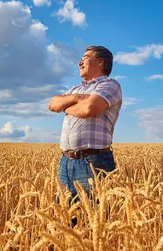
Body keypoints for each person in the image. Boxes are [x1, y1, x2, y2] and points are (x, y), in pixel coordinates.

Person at [48, 45, 122, 204]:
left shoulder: (110, 85)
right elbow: (53, 104)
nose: (79, 63)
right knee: (64, 218)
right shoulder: (76, 88)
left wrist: (65, 107)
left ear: (100, 62)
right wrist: (77, 98)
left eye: (85, 58)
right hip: (65, 162)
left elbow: (89, 108)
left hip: (93, 162)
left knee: (93, 219)